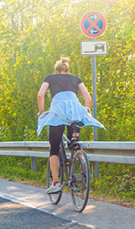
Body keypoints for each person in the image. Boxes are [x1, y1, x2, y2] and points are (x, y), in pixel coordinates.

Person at [37, 57, 105, 194]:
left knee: (54, 148)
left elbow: (40, 95)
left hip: (58, 112)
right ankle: (78, 158)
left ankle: (56, 183)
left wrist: (41, 112)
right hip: (76, 112)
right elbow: (88, 99)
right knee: (73, 142)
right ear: (68, 71)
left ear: (56, 70)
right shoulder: (76, 78)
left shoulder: (50, 77)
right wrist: (85, 111)